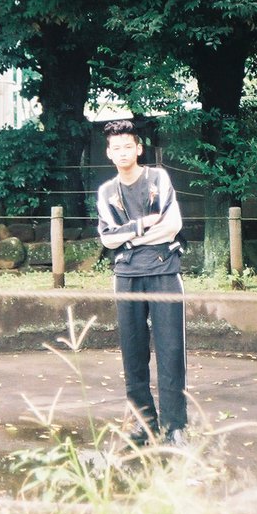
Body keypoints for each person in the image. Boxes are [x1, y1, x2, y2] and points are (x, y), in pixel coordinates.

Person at [96, 119, 187, 447]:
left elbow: (172, 225)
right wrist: (142, 226)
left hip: (164, 271)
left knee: (171, 350)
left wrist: (129, 239)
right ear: (109, 153)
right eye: (116, 148)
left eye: (127, 146)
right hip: (126, 276)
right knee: (132, 352)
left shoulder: (158, 179)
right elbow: (107, 238)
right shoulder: (106, 192)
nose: (122, 152)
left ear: (139, 148)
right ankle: (143, 423)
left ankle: (174, 426)